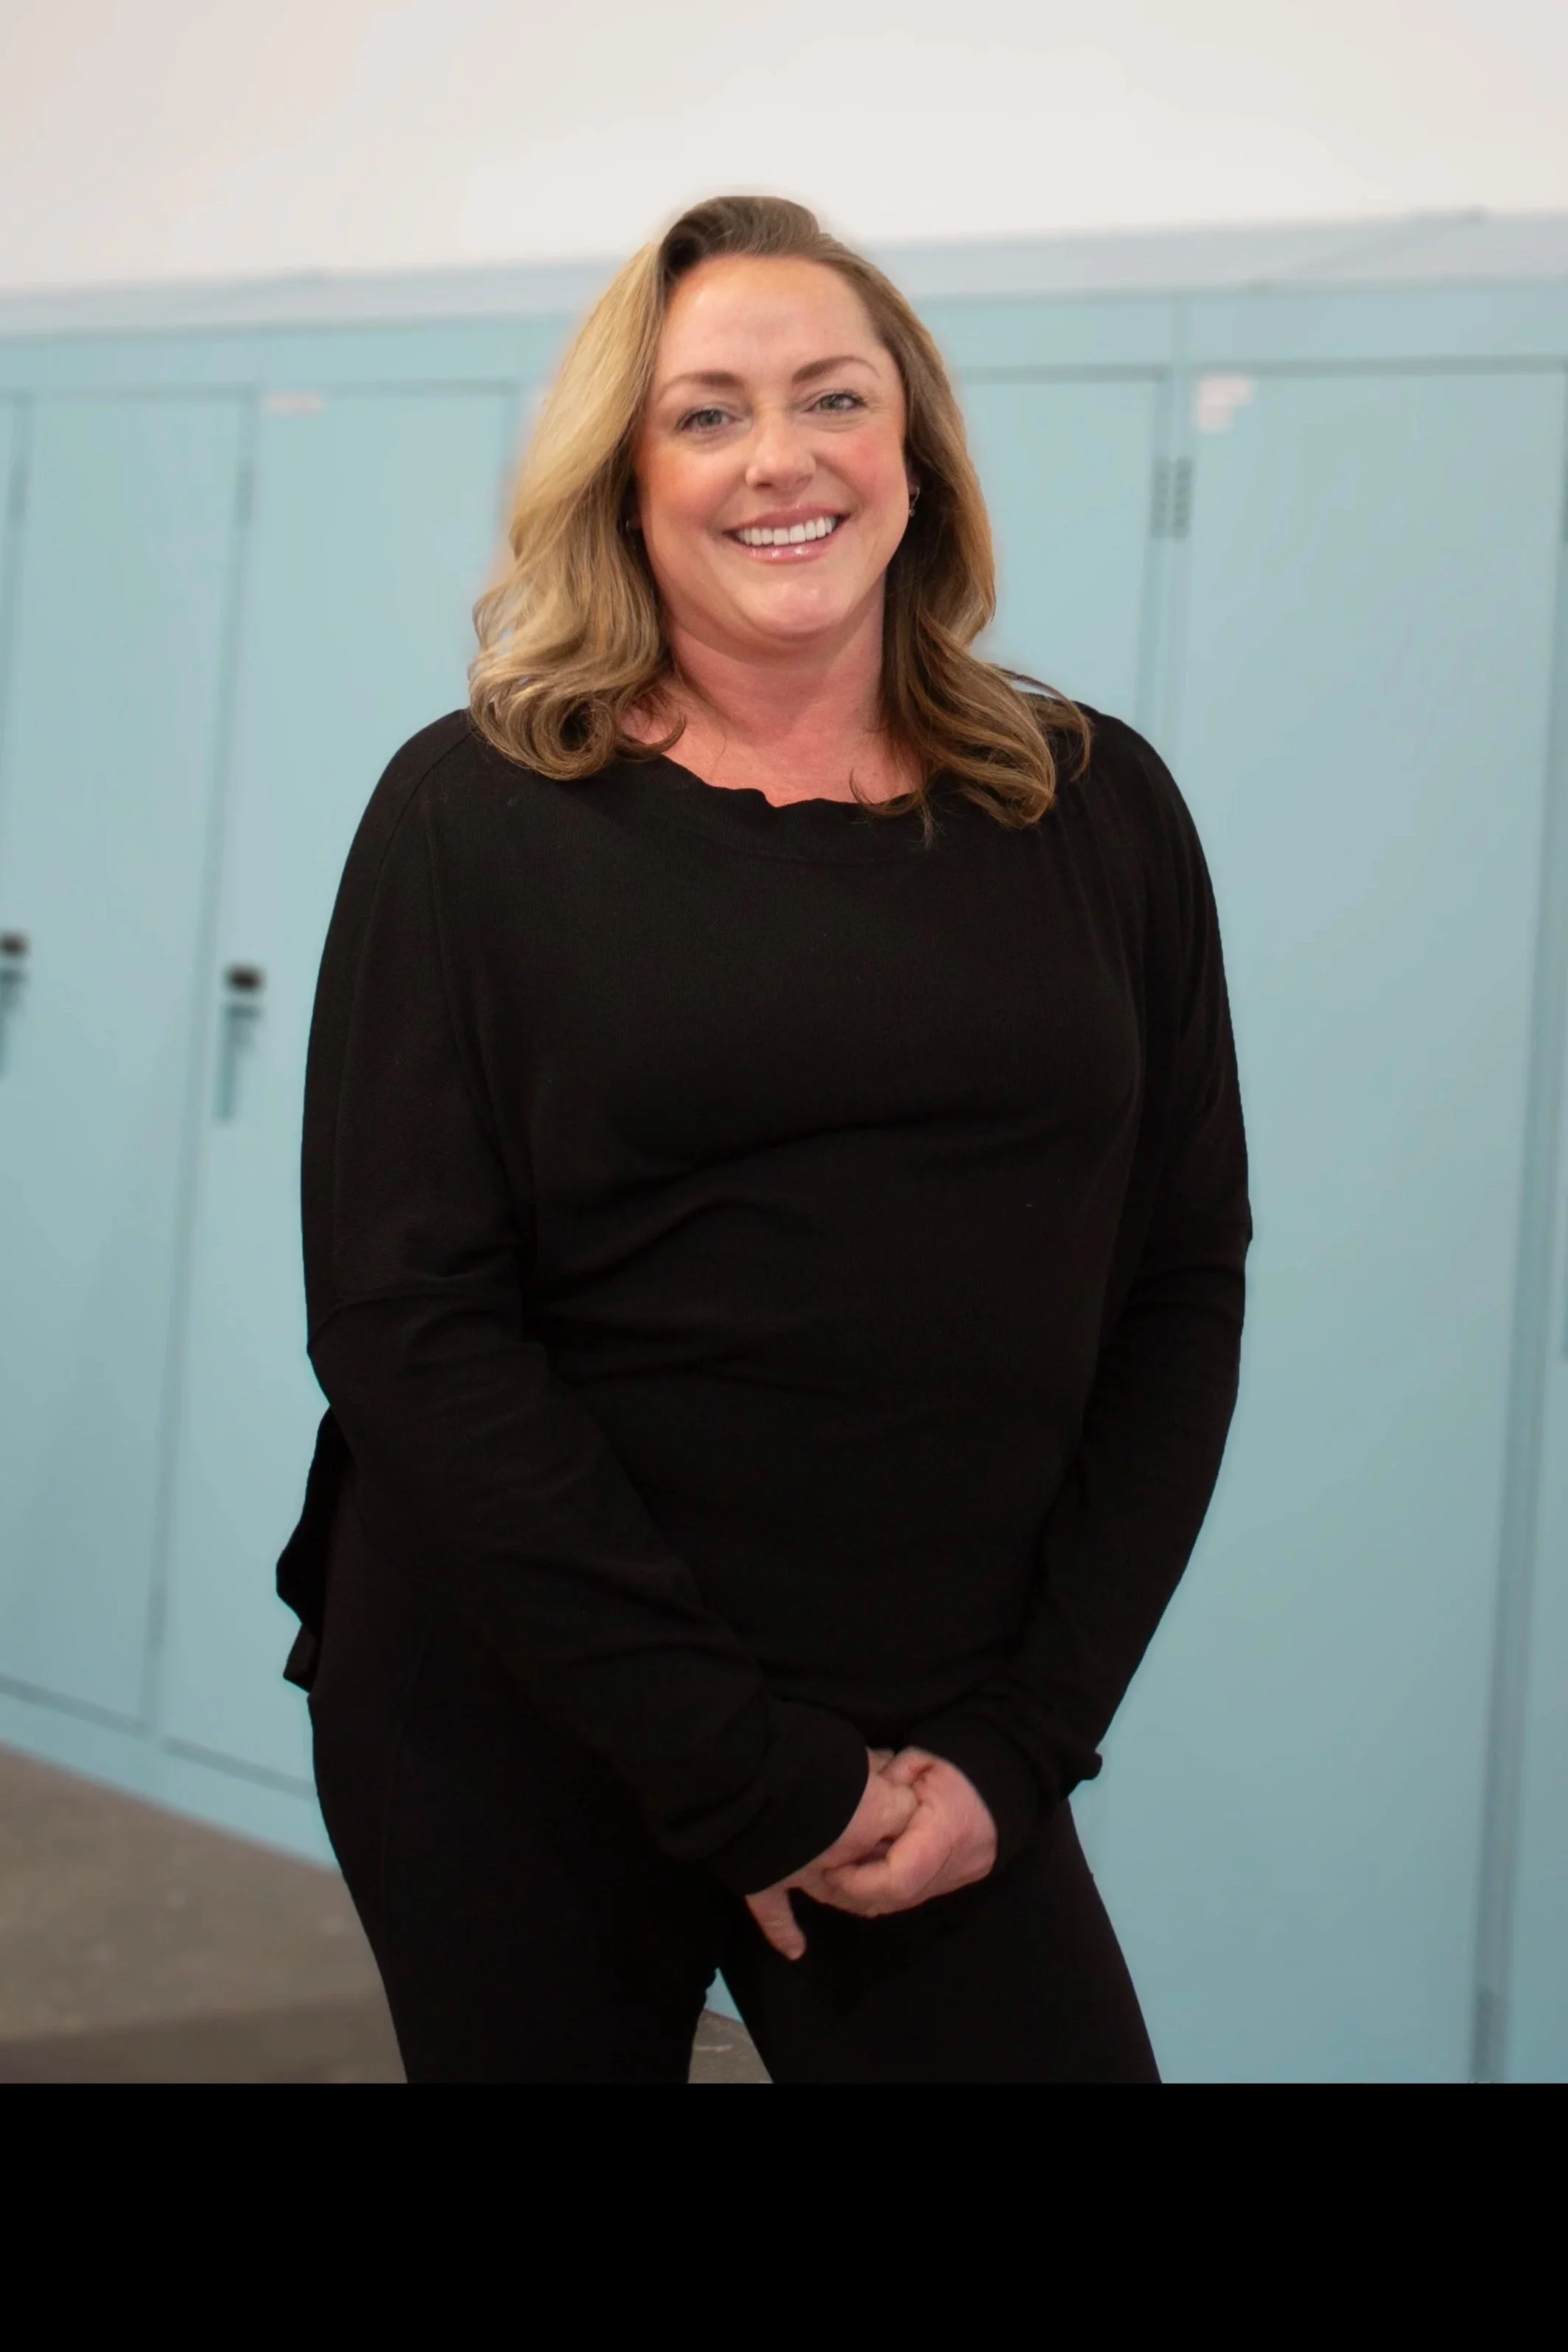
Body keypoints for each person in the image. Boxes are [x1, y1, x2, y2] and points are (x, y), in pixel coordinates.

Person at [277, 193, 1250, 2083]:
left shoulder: (1096, 808)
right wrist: (741, 1768)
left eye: (832, 399)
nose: (779, 459)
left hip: (931, 1730)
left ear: (915, 454)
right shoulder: (475, 817)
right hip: (522, 1713)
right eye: (705, 413)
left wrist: (1020, 1742)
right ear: (622, 481)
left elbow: (1179, 1279)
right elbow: (407, 1317)